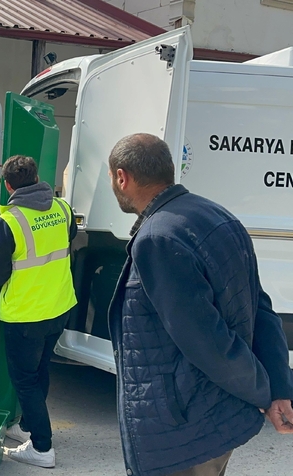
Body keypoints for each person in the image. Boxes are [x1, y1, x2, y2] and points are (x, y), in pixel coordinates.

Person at [106, 133, 293, 476]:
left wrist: (267, 395)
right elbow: (261, 307)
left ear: (122, 177)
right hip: (214, 425)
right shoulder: (218, 215)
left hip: (184, 435)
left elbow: (209, 343)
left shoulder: (157, 239)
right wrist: (279, 386)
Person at [0, 155, 78, 469]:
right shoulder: (62, 209)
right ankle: (27, 427)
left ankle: (42, 447)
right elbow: (69, 238)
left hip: (25, 314)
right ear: (37, 178)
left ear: (8, 185)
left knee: (25, 380)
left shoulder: (10, 221)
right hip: (59, 307)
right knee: (40, 371)